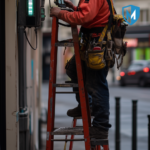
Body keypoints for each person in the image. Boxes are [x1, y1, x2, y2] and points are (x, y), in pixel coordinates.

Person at [50, 0, 112, 139]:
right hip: (91, 45)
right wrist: (74, 8)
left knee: (97, 85)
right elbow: (89, 12)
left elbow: (84, 17)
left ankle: (101, 127)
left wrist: (60, 13)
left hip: (96, 47)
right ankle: (87, 105)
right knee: (73, 69)